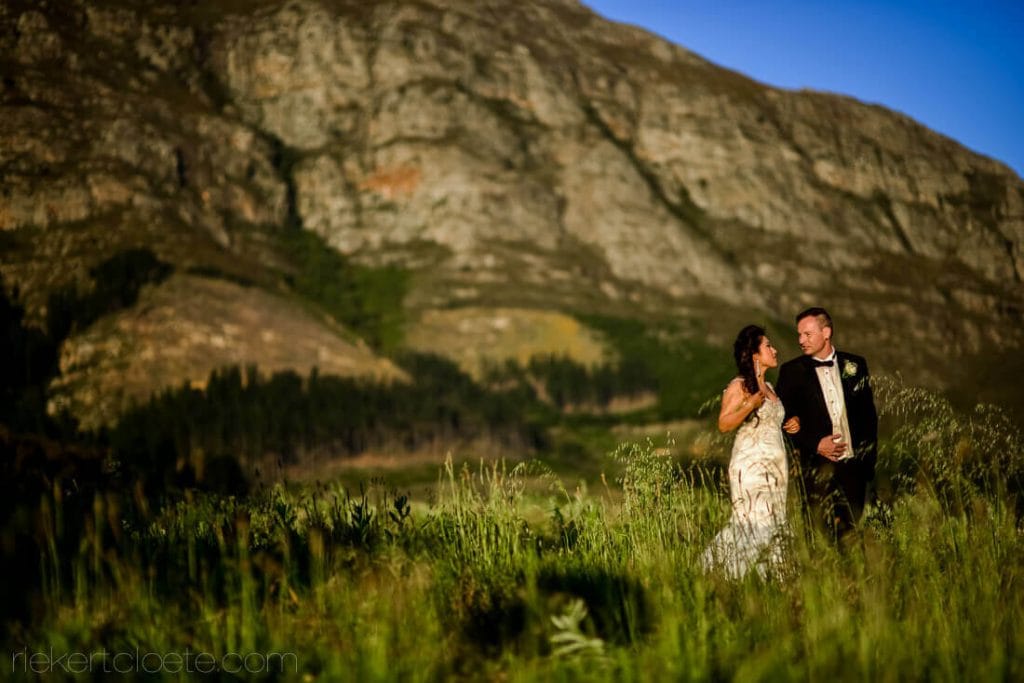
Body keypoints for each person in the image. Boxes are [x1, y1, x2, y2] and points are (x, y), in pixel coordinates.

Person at [702, 325, 799, 579]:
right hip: (751, 465)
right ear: (755, 355)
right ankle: (726, 574)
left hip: (776, 465)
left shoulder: (771, 388)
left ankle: (777, 579)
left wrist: (791, 423)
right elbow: (724, 424)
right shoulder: (739, 385)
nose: (774, 350)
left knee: (775, 519)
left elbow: (771, 421)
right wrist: (749, 404)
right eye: (768, 346)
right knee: (754, 520)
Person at [775, 307, 878, 540]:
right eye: (799, 335)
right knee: (821, 536)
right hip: (815, 471)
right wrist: (815, 443)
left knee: (855, 536)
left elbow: (868, 416)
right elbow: (782, 421)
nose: (801, 340)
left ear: (826, 332)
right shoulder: (791, 372)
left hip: (855, 469)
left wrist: (867, 462)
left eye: (807, 334)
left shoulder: (855, 364)